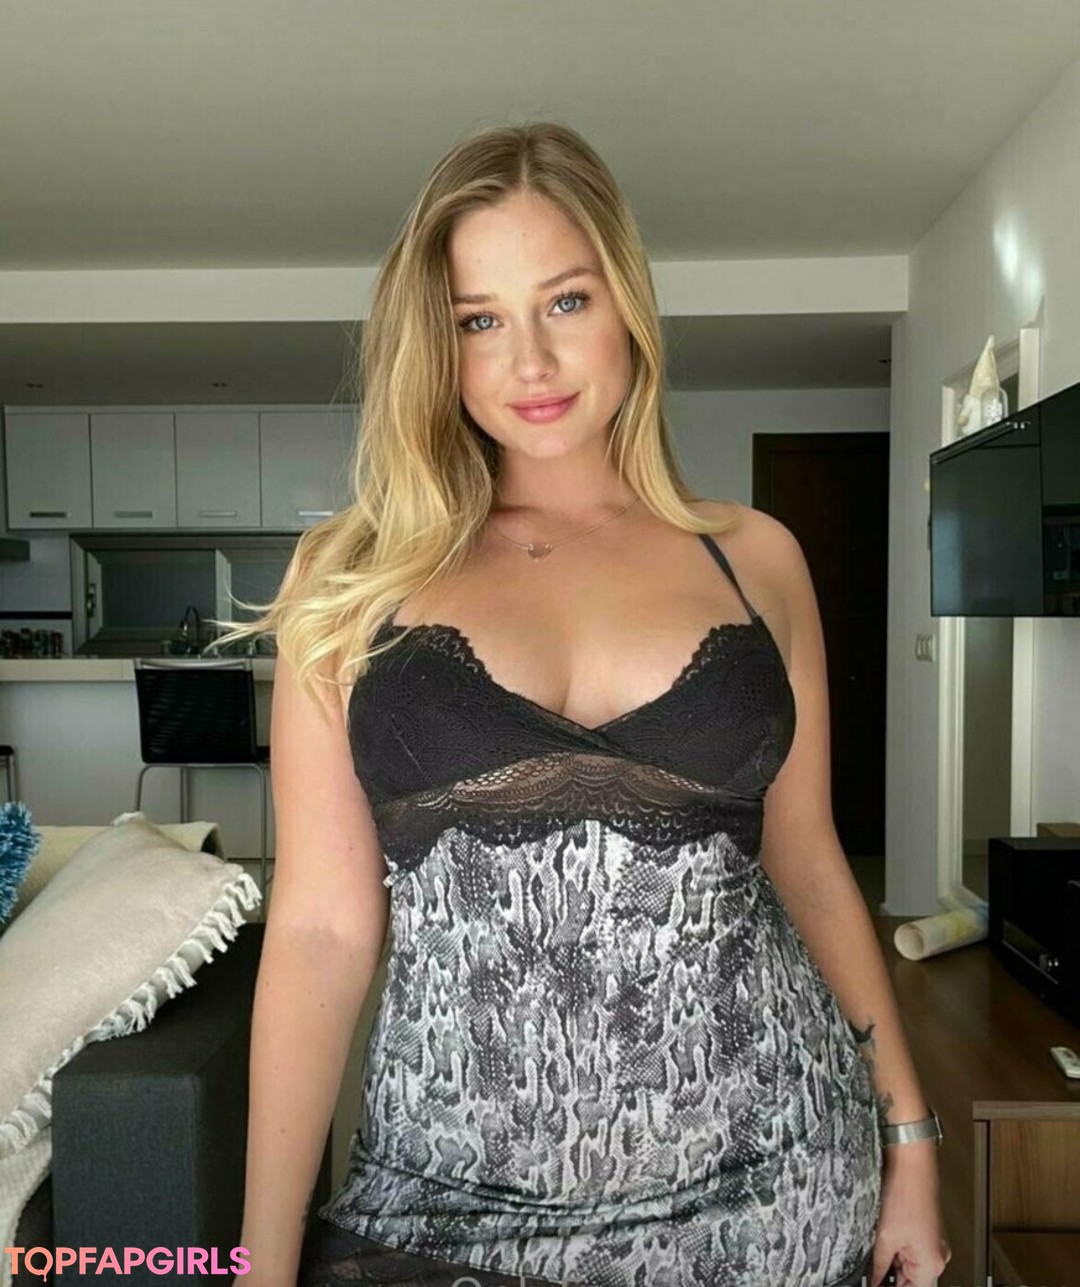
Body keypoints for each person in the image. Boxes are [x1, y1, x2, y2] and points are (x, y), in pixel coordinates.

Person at [217, 120, 951, 1287]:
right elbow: (317, 934)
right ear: (437, 346)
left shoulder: (754, 559)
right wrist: (257, 1265)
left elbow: (809, 862)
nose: (532, 362)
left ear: (627, 304)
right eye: (479, 320)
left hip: (773, 1187)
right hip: (446, 1200)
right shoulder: (351, 577)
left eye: (566, 301)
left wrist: (910, 1136)